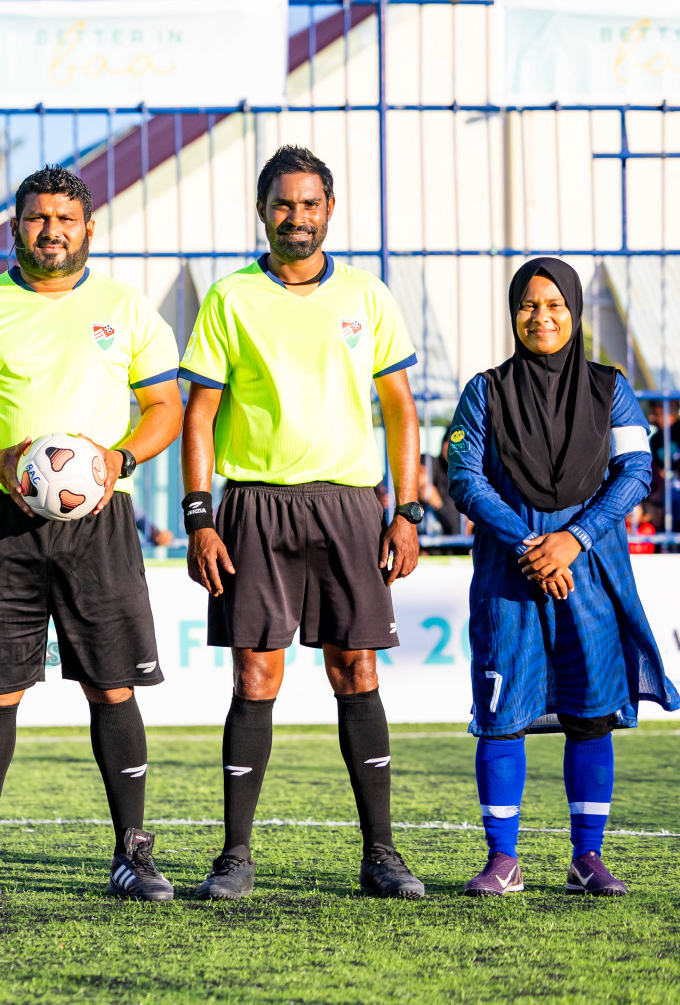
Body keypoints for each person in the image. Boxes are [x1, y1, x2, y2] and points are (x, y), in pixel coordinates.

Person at [0, 165, 184, 902]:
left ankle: (132, 851)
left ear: (88, 228)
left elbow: (164, 404)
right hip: (6, 522)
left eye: (65, 219)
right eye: (38, 218)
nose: (51, 230)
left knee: (112, 687)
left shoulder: (126, 310)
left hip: (100, 525)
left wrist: (119, 457)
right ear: (16, 226)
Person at [181, 145, 426, 900]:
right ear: (264, 211)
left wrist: (408, 509)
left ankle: (382, 853)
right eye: (284, 204)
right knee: (256, 674)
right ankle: (236, 855)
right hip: (255, 504)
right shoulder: (230, 297)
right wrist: (200, 518)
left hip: (352, 506)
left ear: (329, 208)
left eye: (310, 203)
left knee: (357, 669)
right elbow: (200, 416)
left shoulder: (367, 294)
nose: (298, 216)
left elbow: (401, 411)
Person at [447, 258, 680, 896]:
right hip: (510, 570)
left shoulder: (613, 387)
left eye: (554, 304)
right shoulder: (484, 391)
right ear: (513, 313)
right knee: (502, 716)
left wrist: (572, 539)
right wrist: (530, 543)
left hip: (590, 568)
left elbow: (635, 471)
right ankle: (503, 860)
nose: (541, 317)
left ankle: (587, 858)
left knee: (591, 714)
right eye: (527, 304)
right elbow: (465, 478)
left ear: (574, 313)